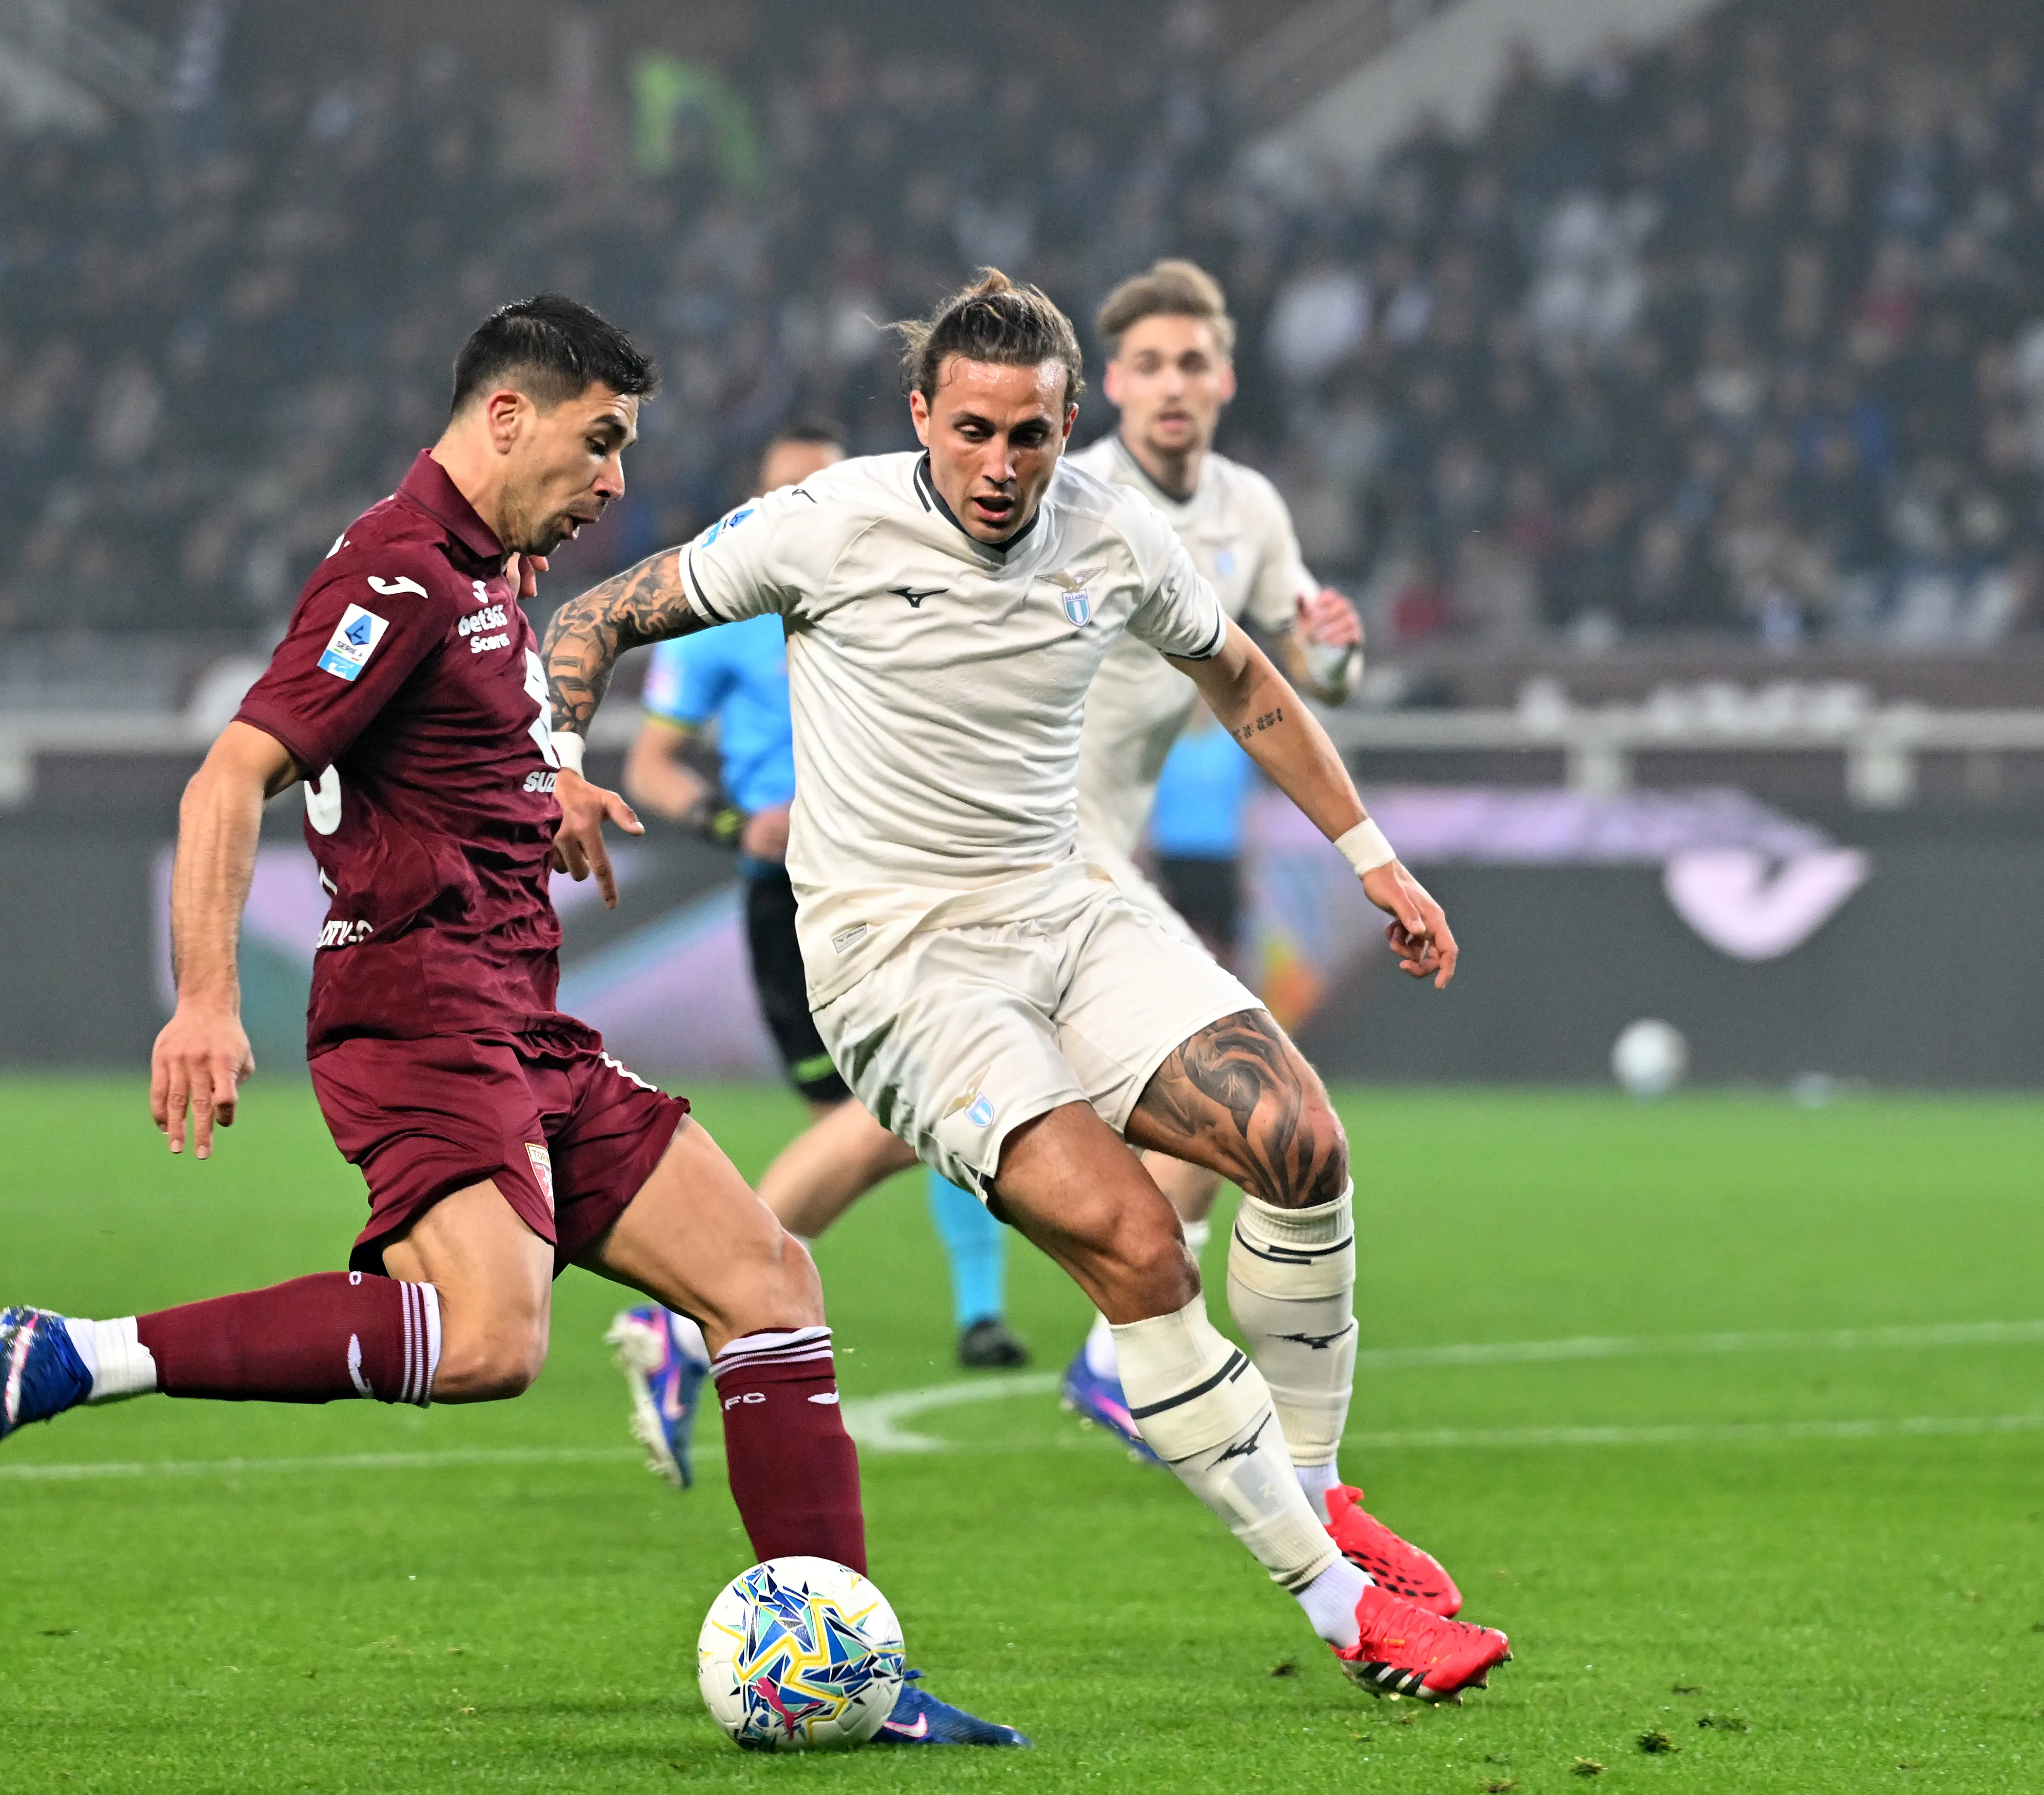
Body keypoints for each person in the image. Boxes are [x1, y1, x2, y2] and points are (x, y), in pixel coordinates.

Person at [0, 296, 1022, 1747]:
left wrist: (547, 793)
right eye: (601, 443)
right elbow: (227, 779)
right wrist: (206, 995)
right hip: (417, 1015)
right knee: (486, 1341)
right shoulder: (394, 577)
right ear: (507, 417)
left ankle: (849, 1668)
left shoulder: (484, 575)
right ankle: (81, 1349)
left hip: (519, 1018)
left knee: (767, 1281)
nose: (616, 483)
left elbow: (447, 749)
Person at [540, 272, 1510, 1702]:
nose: (1000, 468)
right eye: (974, 431)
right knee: (1135, 1244)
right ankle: (1340, 1605)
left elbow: (1244, 678)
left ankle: (1319, 1485)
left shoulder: (1112, 532)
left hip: (1069, 909)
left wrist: (1372, 859)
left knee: (1302, 1147)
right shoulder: (827, 523)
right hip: (900, 963)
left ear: (1067, 431)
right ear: (922, 414)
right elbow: (602, 609)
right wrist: (555, 756)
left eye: (1032, 439)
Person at [605, 423, 1028, 1489]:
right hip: (789, 903)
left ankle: (977, 1319)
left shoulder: (896, 584)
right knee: (908, 1110)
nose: (807, 507)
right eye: (785, 488)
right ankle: (696, 1309)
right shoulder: (714, 622)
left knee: (936, 1104)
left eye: (822, 486)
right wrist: (727, 823)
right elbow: (652, 766)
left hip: (900, 888)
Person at [1055, 261, 1386, 1528]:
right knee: (918, 1112)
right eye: (1148, 364)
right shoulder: (1070, 493)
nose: (1174, 384)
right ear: (1115, 385)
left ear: (1225, 378)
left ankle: (1124, 1338)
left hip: (1119, 849)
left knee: (1217, 1084)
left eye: (1195, 362)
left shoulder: (1250, 506)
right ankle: (701, 1302)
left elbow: (1304, 665)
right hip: (1031, 849)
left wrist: (1340, 655)